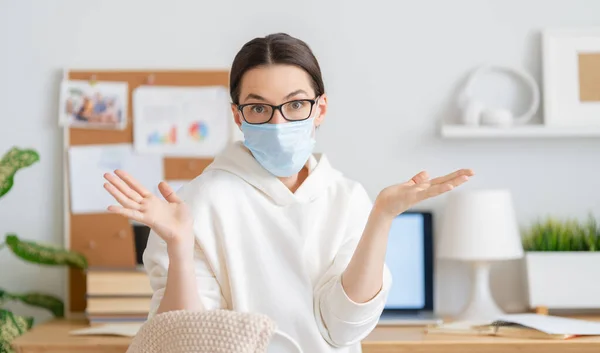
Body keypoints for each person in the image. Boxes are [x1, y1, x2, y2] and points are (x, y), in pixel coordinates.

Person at [102, 33, 473, 353]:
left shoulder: (347, 198)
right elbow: (182, 345)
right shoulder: (195, 203)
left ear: (320, 108)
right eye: (259, 108)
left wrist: (382, 217)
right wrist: (180, 248)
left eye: (296, 104)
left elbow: (343, 327)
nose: (278, 123)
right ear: (238, 115)